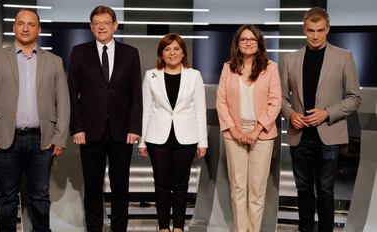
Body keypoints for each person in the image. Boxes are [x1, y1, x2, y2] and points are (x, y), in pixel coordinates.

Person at [0, 9, 70, 232]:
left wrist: (60, 138)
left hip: (42, 140)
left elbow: (63, 102)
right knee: (7, 197)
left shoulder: (54, 61)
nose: (26, 28)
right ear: (14, 27)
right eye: (21, 23)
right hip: (5, 138)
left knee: (40, 196)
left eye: (31, 24)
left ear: (39, 29)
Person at [280, 7, 361, 232]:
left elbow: (355, 98)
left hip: (329, 134)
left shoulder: (344, 57)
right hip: (299, 135)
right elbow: (280, 98)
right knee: (303, 189)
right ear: (304, 30)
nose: (315, 35)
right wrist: (290, 114)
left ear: (328, 29)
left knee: (326, 191)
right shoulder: (289, 59)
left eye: (320, 30)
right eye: (310, 30)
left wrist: (327, 113)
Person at [67, 5, 142, 232]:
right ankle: (94, 228)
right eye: (96, 23)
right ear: (91, 27)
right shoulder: (79, 52)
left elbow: (136, 94)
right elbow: (72, 93)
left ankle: (119, 228)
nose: (101, 27)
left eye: (106, 23)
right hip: (90, 132)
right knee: (92, 187)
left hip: (122, 131)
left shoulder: (130, 53)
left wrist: (134, 127)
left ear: (115, 26)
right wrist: (77, 128)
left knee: (121, 187)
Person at [138, 33, 207, 232]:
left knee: (180, 185)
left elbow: (200, 109)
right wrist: (142, 141)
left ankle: (178, 227)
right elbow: (146, 109)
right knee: (160, 185)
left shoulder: (194, 75)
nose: (172, 53)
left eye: (176, 48)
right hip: (156, 138)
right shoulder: (151, 75)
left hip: (186, 138)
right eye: (167, 49)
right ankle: (162, 227)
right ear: (161, 53)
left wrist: (202, 141)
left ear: (183, 52)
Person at [215, 24, 281, 232]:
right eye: (244, 39)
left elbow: (275, 101)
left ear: (259, 43)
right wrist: (234, 131)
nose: (248, 42)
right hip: (234, 133)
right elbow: (221, 101)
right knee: (238, 189)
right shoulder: (228, 67)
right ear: (237, 43)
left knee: (257, 190)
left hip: (263, 134)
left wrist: (255, 131)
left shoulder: (271, 67)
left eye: (253, 39)